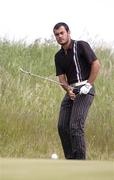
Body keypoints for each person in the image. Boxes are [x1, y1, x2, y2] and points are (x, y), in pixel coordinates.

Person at [53, 22, 100, 160]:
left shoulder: (81, 46)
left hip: (86, 88)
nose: (60, 36)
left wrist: (88, 84)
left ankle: (80, 162)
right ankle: (70, 161)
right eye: (57, 35)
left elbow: (96, 64)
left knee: (75, 126)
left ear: (68, 32)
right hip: (72, 90)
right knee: (62, 126)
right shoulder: (58, 56)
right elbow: (62, 79)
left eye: (62, 33)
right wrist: (68, 90)